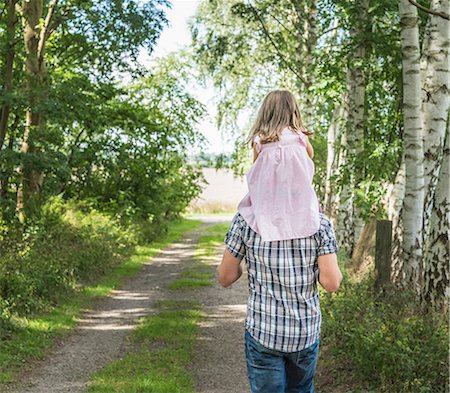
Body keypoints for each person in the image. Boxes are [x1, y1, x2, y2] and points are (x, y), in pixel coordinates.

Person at [217, 90, 342, 393]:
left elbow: (225, 277)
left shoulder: (247, 220)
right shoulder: (319, 224)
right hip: (304, 334)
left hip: (264, 332)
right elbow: (332, 283)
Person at [237, 90, 321, 243]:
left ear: (266, 113)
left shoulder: (260, 140)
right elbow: (310, 157)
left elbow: (256, 169)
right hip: (298, 200)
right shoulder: (301, 137)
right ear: (293, 111)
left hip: (268, 203)